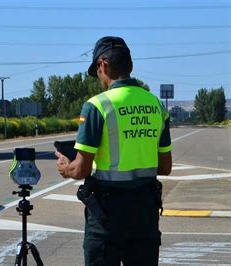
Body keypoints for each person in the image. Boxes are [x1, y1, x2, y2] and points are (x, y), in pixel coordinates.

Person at [55, 36, 172, 265]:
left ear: (103, 65)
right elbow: (165, 167)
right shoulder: (156, 105)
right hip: (145, 213)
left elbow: (81, 170)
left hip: (107, 215)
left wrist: (66, 168)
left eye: (97, 71)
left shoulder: (97, 106)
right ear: (130, 66)